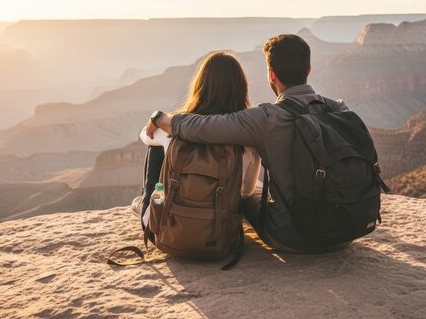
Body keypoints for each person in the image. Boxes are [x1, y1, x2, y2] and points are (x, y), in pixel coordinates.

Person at [146, 34, 353, 253]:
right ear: (309, 69)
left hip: (292, 237)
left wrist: (160, 118)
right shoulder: (339, 109)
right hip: (346, 230)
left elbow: (202, 126)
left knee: (247, 190)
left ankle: (150, 208)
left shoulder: (266, 119)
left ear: (271, 75)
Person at [132, 51, 261, 228]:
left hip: (167, 232)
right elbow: (246, 192)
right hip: (219, 236)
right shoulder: (247, 138)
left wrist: (158, 119)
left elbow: (146, 136)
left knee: (154, 148)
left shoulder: (172, 127)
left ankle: (147, 209)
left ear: (200, 86)